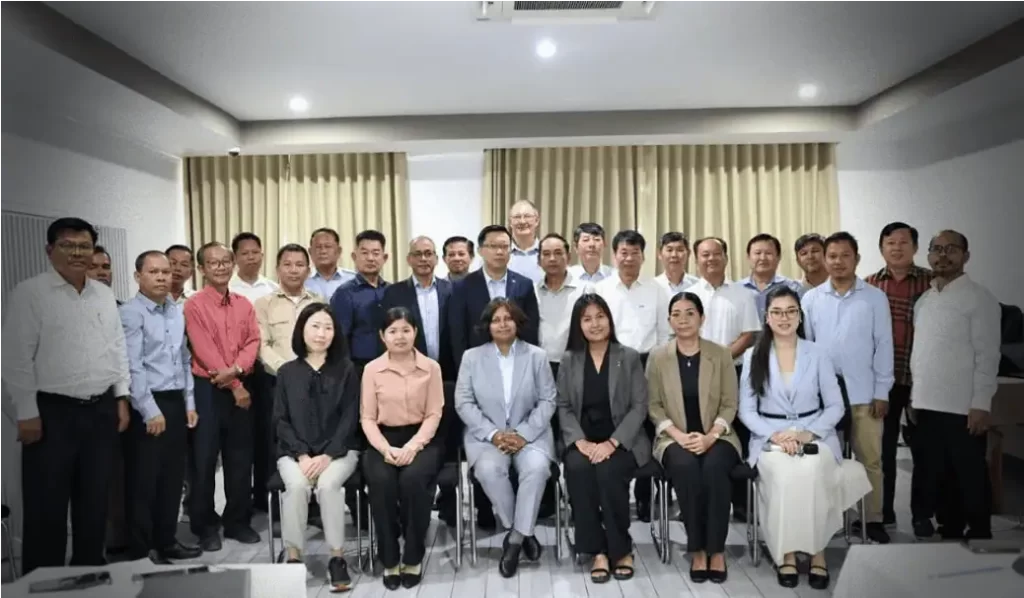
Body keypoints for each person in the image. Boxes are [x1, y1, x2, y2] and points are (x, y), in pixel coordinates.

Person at [0, 218, 131, 574]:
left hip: (101, 408)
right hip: (51, 413)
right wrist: (26, 412)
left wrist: (121, 397)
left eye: (83, 246)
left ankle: (90, 576)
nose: (77, 253)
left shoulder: (102, 294)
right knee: (47, 508)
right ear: (49, 250)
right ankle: (45, 584)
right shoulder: (30, 293)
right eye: (67, 245)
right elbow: (15, 359)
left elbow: (116, 349)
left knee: (94, 505)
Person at [739, 286, 870, 590]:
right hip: (770, 439)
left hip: (816, 436)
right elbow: (746, 411)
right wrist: (777, 435)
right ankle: (786, 553)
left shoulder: (818, 353)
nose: (784, 318)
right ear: (766, 317)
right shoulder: (753, 355)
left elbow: (837, 406)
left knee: (810, 472)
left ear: (800, 316)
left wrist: (807, 433)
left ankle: (817, 554)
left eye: (791, 311)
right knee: (785, 475)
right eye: (777, 312)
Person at [801, 231, 894, 544]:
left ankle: (872, 518)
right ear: (824, 260)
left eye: (844, 255)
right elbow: (808, 347)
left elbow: (884, 344)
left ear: (857, 258)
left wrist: (882, 391)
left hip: (864, 393)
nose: (838, 262)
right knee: (827, 459)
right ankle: (832, 518)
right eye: (832, 256)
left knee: (870, 459)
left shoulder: (874, 297)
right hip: (824, 397)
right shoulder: (811, 299)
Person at [454, 298, 557, 578]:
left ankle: (513, 542)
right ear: (487, 325)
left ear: (518, 323)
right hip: (487, 436)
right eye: (496, 319)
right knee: (489, 470)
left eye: (508, 318)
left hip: (530, 433)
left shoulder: (536, 356)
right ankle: (524, 532)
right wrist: (494, 433)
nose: (502, 324)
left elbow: (548, 400)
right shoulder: (471, 358)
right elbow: (463, 402)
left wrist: (523, 434)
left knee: (536, 469)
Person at [910, 230, 1001, 541]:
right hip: (927, 403)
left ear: (966, 256)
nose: (942, 255)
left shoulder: (980, 298)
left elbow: (988, 355)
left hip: (963, 406)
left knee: (969, 474)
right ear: (929, 256)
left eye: (951, 249)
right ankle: (950, 529)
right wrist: (914, 397)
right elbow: (920, 354)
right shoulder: (925, 298)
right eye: (936, 249)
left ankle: (979, 532)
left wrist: (981, 403)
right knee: (938, 473)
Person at [647, 292, 740, 584]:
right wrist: (678, 435)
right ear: (669, 320)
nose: (683, 319)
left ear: (702, 318)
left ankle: (717, 549)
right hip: (673, 437)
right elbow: (653, 406)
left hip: (719, 435)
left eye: (690, 313)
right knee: (685, 467)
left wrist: (711, 437)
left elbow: (729, 403)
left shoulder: (720, 354)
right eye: (676, 313)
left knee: (714, 468)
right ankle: (697, 548)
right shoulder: (658, 356)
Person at [556, 294, 649, 583]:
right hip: (582, 438)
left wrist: (612, 443)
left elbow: (639, 407)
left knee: (609, 472)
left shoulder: (629, 356)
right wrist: (579, 442)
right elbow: (563, 406)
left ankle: (621, 549)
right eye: (587, 318)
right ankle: (596, 549)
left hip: (623, 438)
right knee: (579, 470)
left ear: (609, 319)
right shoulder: (570, 360)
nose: (595, 324)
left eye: (600, 316)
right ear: (578, 325)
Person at [120, 251, 202, 564]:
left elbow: (183, 357)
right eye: (153, 272)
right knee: (144, 482)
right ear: (138, 276)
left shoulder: (175, 311)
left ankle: (166, 541)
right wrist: (149, 409)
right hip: (147, 404)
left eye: (166, 272)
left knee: (171, 479)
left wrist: (189, 401)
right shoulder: (130, 313)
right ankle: (142, 550)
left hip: (174, 400)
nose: (161, 277)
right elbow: (132, 366)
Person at [274, 303, 361, 591]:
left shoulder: (348, 370)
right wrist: (301, 454)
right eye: (315, 326)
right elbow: (280, 420)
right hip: (293, 454)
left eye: (328, 327)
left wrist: (327, 455)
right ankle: (293, 557)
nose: (321, 333)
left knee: (327, 487)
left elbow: (351, 417)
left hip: (339, 452)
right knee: (297, 487)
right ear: (302, 330)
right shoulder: (286, 372)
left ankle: (337, 557)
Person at [184, 242, 261, 551]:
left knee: (240, 459)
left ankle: (237, 521)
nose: (221, 267)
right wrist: (234, 383)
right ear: (202, 269)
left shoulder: (244, 304)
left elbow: (253, 340)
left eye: (225, 261)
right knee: (204, 461)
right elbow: (203, 350)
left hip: (241, 383)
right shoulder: (194, 305)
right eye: (213, 263)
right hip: (209, 390)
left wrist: (239, 370)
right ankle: (204, 526)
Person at [361, 307, 445, 590]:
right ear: (382, 336)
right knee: (381, 482)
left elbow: (434, 414)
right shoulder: (371, 369)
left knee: (412, 481)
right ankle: (389, 557)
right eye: (393, 331)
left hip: (422, 437)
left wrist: (413, 445)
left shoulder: (431, 367)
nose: (400, 337)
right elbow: (367, 418)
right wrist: (386, 449)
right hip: (382, 438)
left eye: (405, 330)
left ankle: (413, 555)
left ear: (415, 333)